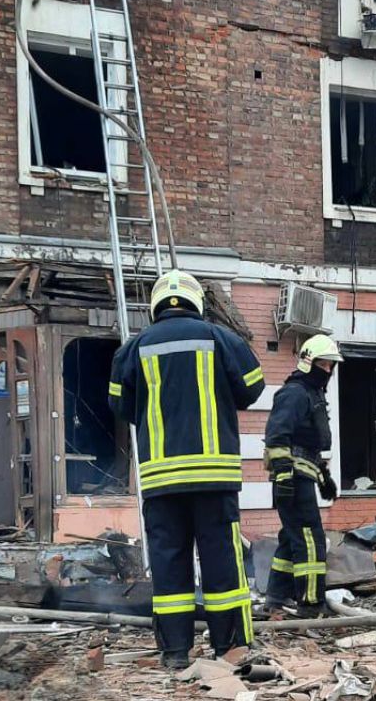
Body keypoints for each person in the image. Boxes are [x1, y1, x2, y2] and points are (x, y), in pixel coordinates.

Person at [107, 270, 266, 670]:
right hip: (214, 476)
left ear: (157, 304)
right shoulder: (220, 339)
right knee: (221, 561)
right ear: (196, 301)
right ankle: (228, 647)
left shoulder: (132, 349)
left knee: (168, 562)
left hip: (161, 480)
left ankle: (175, 652)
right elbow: (253, 386)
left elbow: (120, 407)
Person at [265, 334, 341, 618]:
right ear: (309, 362)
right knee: (311, 539)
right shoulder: (295, 393)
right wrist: (284, 477)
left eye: (332, 365)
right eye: (324, 364)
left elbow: (307, 445)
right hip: (292, 481)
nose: (329, 370)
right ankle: (310, 604)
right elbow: (276, 436)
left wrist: (324, 477)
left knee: (292, 538)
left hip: (300, 478)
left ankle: (276, 597)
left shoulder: (312, 394)